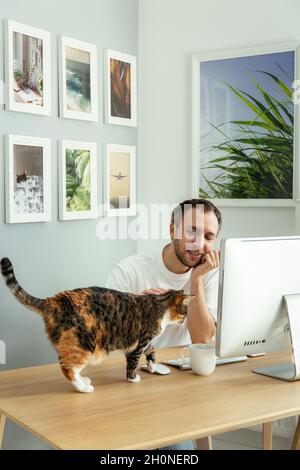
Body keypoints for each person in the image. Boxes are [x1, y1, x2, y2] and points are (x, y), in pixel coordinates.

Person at [106, 198, 222, 450]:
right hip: (128, 387)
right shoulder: (129, 271)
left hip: (179, 392)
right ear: (172, 230)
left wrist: (196, 281)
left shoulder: (208, 274)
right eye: (192, 230)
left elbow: (202, 339)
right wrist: (136, 308)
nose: (199, 243)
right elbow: (107, 339)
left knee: (178, 449)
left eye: (209, 236)